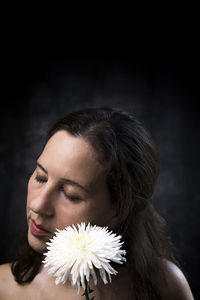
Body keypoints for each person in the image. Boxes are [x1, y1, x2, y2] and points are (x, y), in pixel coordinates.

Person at [0, 107, 194, 299]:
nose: (37, 205)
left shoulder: (164, 285)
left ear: (120, 209)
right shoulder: (4, 287)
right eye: (41, 177)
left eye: (70, 194)